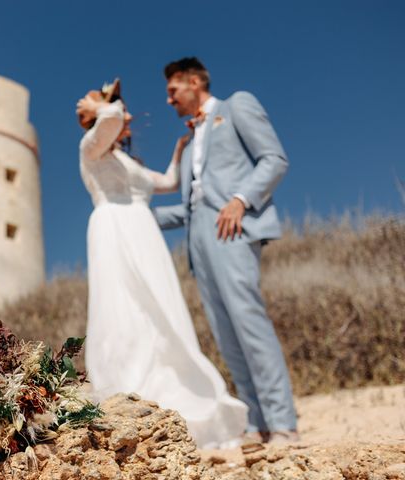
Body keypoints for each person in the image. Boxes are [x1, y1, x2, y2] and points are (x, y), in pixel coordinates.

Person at [76, 79, 247, 449]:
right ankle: (124, 390)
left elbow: (168, 182)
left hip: (144, 231)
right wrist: (101, 105)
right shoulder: (91, 148)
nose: (129, 119)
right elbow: (109, 121)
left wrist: (180, 148)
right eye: (121, 112)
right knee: (122, 307)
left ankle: (175, 389)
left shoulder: (125, 159)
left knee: (160, 309)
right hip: (113, 228)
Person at [153, 57, 298, 444]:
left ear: (195, 81)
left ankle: (283, 420)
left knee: (248, 320)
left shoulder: (236, 106)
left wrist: (241, 199)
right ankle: (257, 422)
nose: (169, 100)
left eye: (173, 91)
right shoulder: (185, 142)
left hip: (232, 226)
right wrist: (131, 217)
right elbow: (188, 207)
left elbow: (274, 159)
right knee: (225, 332)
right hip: (198, 241)